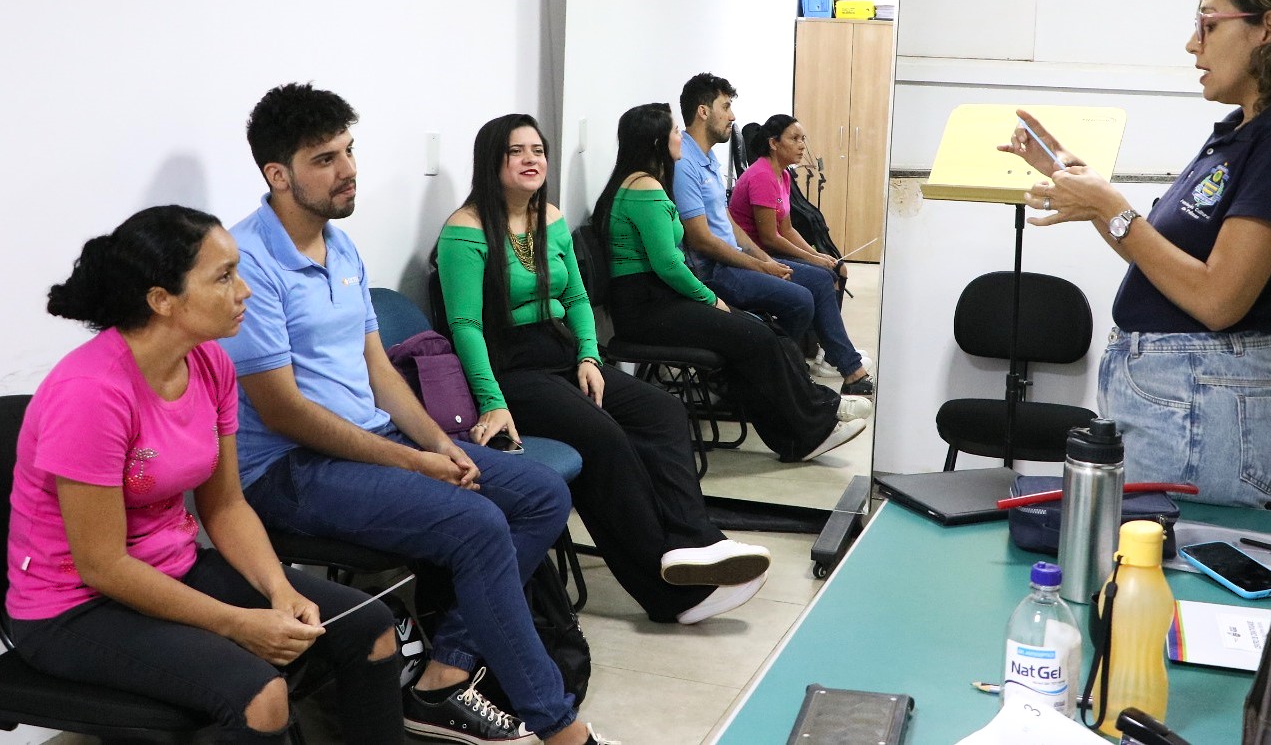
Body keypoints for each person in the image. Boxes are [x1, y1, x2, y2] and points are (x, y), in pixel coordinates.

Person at [220, 84, 610, 745]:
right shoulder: (247, 263)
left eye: (348, 150)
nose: (348, 169)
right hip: (290, 470)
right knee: (479, 522)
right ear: (277, 174)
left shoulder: (340, 247)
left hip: (374, 441)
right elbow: (284, 412)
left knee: (541, 492)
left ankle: (443, 673)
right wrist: (413, 458)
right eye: (325, 158)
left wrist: (438, 440)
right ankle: (559, 727)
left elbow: (377, 367)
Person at [6, 205, 403, 744]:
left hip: (173, 567)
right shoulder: (91, 393)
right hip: (74, 608)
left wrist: (278, 588)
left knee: (371, 629)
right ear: (161, 300)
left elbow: (226, 506)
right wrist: (235, 622)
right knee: (262, 696)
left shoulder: (211, 363)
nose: (245, 291)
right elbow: (101, 565)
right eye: (223, 277)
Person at [999, 0, 1271, 509]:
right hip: (1183, 396)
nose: (1193, 43)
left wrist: (1112, 207)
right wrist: (1089, 192)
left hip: (1202, 402)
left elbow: (1219, 300)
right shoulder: (1241, 132)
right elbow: (1163, 263)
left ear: (1268, 28)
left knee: (1174, 578)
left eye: (1208, 23)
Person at [434, 112, 773, 627]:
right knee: (604, 438)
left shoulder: (547, 217)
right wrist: (492, 400)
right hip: (510, 368)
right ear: (491, 162)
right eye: (517, 152)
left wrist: (590, 356)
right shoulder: (464, 231)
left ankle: (694, 543)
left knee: (661, 412)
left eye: (538, 150)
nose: (532, 160)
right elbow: (464, 326)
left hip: (561, 351)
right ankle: (669, 597)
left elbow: (574, 296)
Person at [590, 102, 870, 466]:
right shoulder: (646, 191)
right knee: (756, 336)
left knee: (761, 333)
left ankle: (812, 415)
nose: (680, 136)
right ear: (657, 141)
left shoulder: (641, 185)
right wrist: (711, 299)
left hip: (654, 301)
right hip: (647, 308)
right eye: (675, 131)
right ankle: (811, 427)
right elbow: (669, 265)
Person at [673, 73, 873, 396]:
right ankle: (774, 372)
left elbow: (730, 227)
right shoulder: (685, 164)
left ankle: (842, 369)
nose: (733, 116)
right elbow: (700, 240)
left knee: (821, 280)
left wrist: (764, 260)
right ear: (703, 111)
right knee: (801, 299)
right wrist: (762, 265)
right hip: (714, 272)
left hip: (734, 262)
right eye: (726, 107)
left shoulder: (708, 159)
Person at [729, 114, 873, 394]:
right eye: (794, 138)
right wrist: (812, 260)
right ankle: (847, 366)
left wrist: (817, 255)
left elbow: (788, 228)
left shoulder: (781, 174)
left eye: (803, 138)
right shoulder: (761, 175)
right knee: (820, 279)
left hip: (769, 251)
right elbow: (770, 238)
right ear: (773, 143)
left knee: (830, 269)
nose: (802, 145)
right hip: (755, 257)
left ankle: (829, 355)